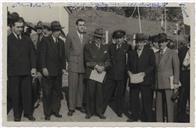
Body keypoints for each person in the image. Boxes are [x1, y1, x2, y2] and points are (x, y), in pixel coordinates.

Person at [7, 17, 36, 121]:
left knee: (27, 94)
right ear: (13, 27)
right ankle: (17, 115)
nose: (20, 29)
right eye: (18, 27)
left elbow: (32, 54)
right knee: (16, 95)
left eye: (22, 27)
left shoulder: (27, 39)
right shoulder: (8, 40)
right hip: (13, 73)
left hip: (26, 72)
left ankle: (28, 113)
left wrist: (33, 67)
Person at [40, 21, 66, 120]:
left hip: (58, 72)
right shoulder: (45, 41)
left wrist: (63, 68)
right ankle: (47, 113)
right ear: (52, 31)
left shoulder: (61, 42)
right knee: (47, 93)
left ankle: (55, 111)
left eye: (59, 30)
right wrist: (43, 67)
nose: (58, 32)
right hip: (48, 72)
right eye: (56, 30)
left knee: (56, 92)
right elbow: (42, 56)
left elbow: (63, 57)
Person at [127, 33, 155, 122]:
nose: (139, 44)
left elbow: (152, 66)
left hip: (145, 80)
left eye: (141, 42)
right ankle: (134, 116)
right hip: (134, 80)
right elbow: (127, 66)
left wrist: (144, 73)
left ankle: (147, 118)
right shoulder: (131, 53)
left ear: (144, 43)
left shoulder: (149, 52)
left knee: (146, 100)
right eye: (138, 42)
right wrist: (129, 73)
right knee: (134, 99)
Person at [84, 28, 110, 119]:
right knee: (90, 93)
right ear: (94, 37)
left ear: (102, 38)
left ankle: (99, 112)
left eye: (100, 37)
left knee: (100, 93)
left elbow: (108, 60)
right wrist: (96, 66)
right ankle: (89, 112)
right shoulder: (88, 46)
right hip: (92, 73)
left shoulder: (105, 47)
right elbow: (87, 61)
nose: (98, 39)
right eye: (97, 37)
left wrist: (104, 67)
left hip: (101, 73)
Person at [103, 30, 129, 117]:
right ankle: (101, 110)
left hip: (122, 75)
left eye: (120, 38)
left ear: (123, 38)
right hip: (111, 74)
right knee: (106, 92)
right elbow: (108, 59)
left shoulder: (128, 47)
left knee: (120, 94)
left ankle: (119, 111)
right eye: (117, 38)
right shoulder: (111, 47)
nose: (118, 40)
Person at [155, 33, 180, 122]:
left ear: (166, 42)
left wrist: (176, 83)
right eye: (159, 42)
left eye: (162, 42)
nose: (160, 44)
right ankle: (159, 123)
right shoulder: (156, 54)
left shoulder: (172, 53)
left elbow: (176, 69)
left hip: (169, 83)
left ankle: (170, 123)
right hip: (158, 83)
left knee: (170, 107)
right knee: (158, 107)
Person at [65, 18, 87, 116]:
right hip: (73, 64)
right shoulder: (70, 35)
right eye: (80, 25)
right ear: (76, 26)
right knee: (72, 86)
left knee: (81, 87)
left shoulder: (86, 36)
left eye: (83, 25)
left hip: (83, 65)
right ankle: (71, 107)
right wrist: (70, 61)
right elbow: (66, 50)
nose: (82, 27)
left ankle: (79, 105)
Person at [177, 36, 190, 122]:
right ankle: (181, 118)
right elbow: (178, 65)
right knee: (182, 99)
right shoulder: (182, 50)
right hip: (184, 79)